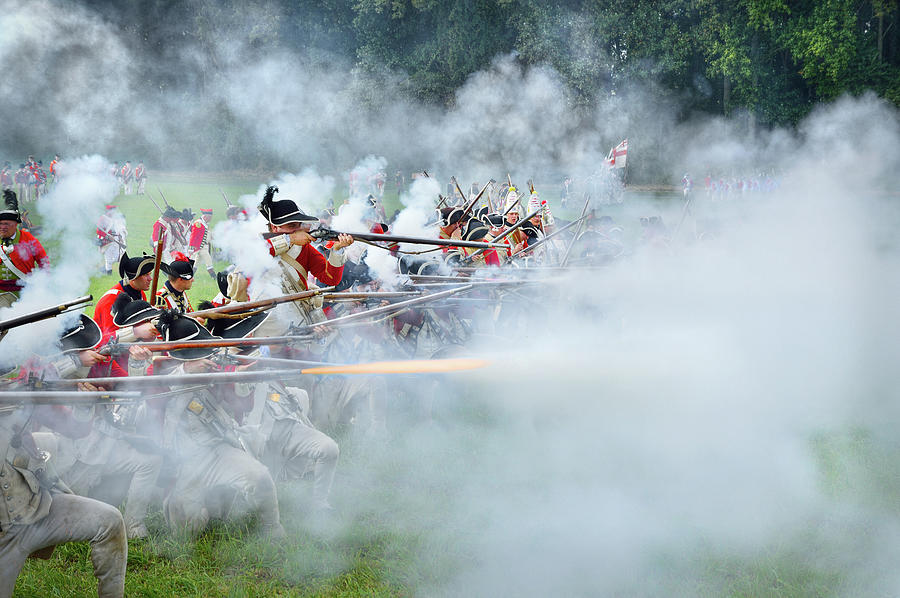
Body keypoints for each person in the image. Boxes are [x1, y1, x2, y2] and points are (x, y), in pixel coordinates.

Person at [0, 190, 49, 308]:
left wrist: (43, 281)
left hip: (25, 292)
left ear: (15, 224)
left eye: (6, 224)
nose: (2, 227)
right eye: (0, 224)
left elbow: (43, 260)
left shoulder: (28, 239)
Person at [97, 205, 127, 275]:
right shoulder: (103, 219)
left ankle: (121, 271)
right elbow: (99, 231)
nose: (113, 212)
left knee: (120, 256)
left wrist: (122, 234)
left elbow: (122, 228)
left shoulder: (117, 218)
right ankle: (108, 272)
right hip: (107, 242)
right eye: (112, 210)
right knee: (108, 258)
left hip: (117, 240)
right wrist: (108, 237)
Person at [187, 209, 214, 278]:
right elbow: (193, 236)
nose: (210, 219)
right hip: (198, 247)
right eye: (209, 218)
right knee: (208, 261)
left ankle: (189, 275)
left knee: (196, 263)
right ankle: (214, 277)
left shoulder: (204, 223)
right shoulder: (198, 224)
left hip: (203, 247)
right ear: (205, 216)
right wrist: (191, 248)